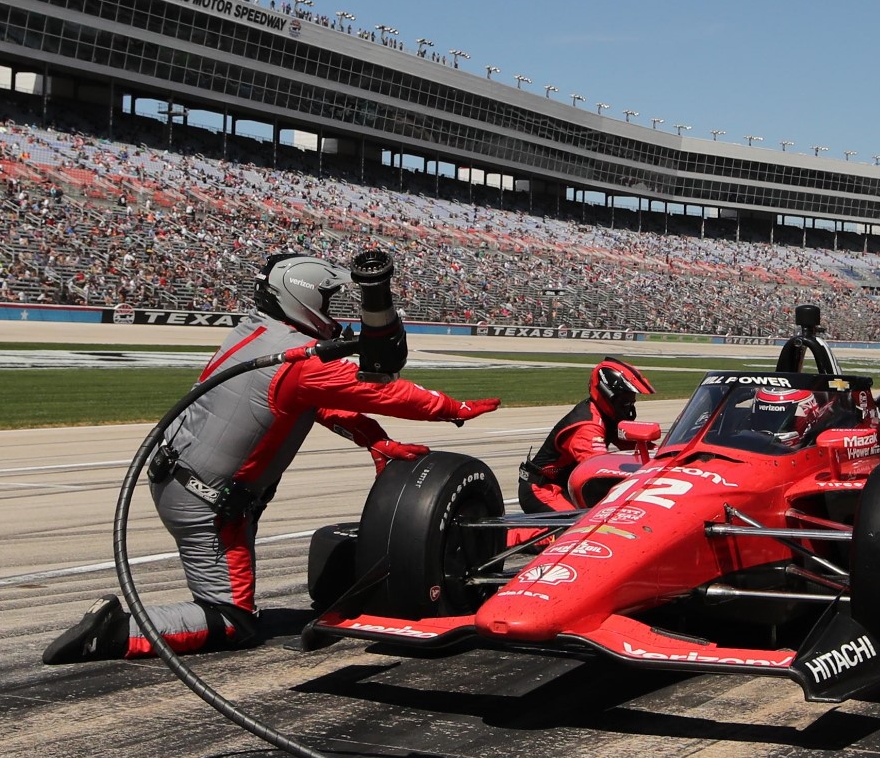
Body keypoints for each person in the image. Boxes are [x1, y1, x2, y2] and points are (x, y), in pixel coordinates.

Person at [42, 253, 501, 665]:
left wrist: (373, 439)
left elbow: (315, 402)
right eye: (327, 300)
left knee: (224, 596)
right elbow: (382, 389)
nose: (332, 311)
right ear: (303, 298)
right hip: (210, 505)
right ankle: (118, 631)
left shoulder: (260, 334)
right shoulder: (298, 359)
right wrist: (451, 408)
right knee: (231, 619)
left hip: (186, 483)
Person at [518, 357, 655, 512]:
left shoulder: (608, 416)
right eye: (625, 398)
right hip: (544, 489)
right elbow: (598, 471)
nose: (630, 403)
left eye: (632, 399)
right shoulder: (588, 426)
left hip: (562, 486)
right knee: (582, 529)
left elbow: (641, 448)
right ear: (608, 394)